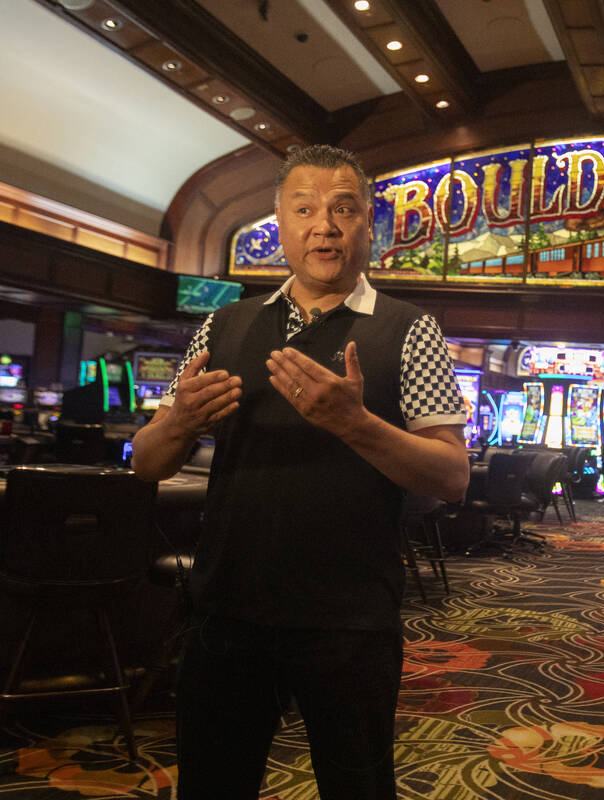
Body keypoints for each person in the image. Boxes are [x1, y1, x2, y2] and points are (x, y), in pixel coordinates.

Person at [132, 144, 469, 798]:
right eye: (306, 209)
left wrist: (355, 423)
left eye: (344, 210)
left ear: (369, 227)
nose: (325, 225)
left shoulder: (408, 329)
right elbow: (146, 461)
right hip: (227, 609)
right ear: (279, 225)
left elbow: (452, 476)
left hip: (349, 619)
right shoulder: (224, 325)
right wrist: (179, 424)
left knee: (357, 787)